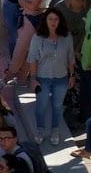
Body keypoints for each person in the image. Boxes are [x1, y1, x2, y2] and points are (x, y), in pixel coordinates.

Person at [28, 8, 76, 145]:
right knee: (41, 106)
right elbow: (32, 59)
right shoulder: (37, 37)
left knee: (57, 106)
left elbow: (70, 57)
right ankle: (40, 129)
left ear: (60, 21)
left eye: (56, 19)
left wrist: (72, 75)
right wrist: (33, 78)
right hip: (42, 78)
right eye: (50, 19)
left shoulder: (66, 36)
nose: (53, 22)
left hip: (61, 78)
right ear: (45, 21)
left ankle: (55, 130)